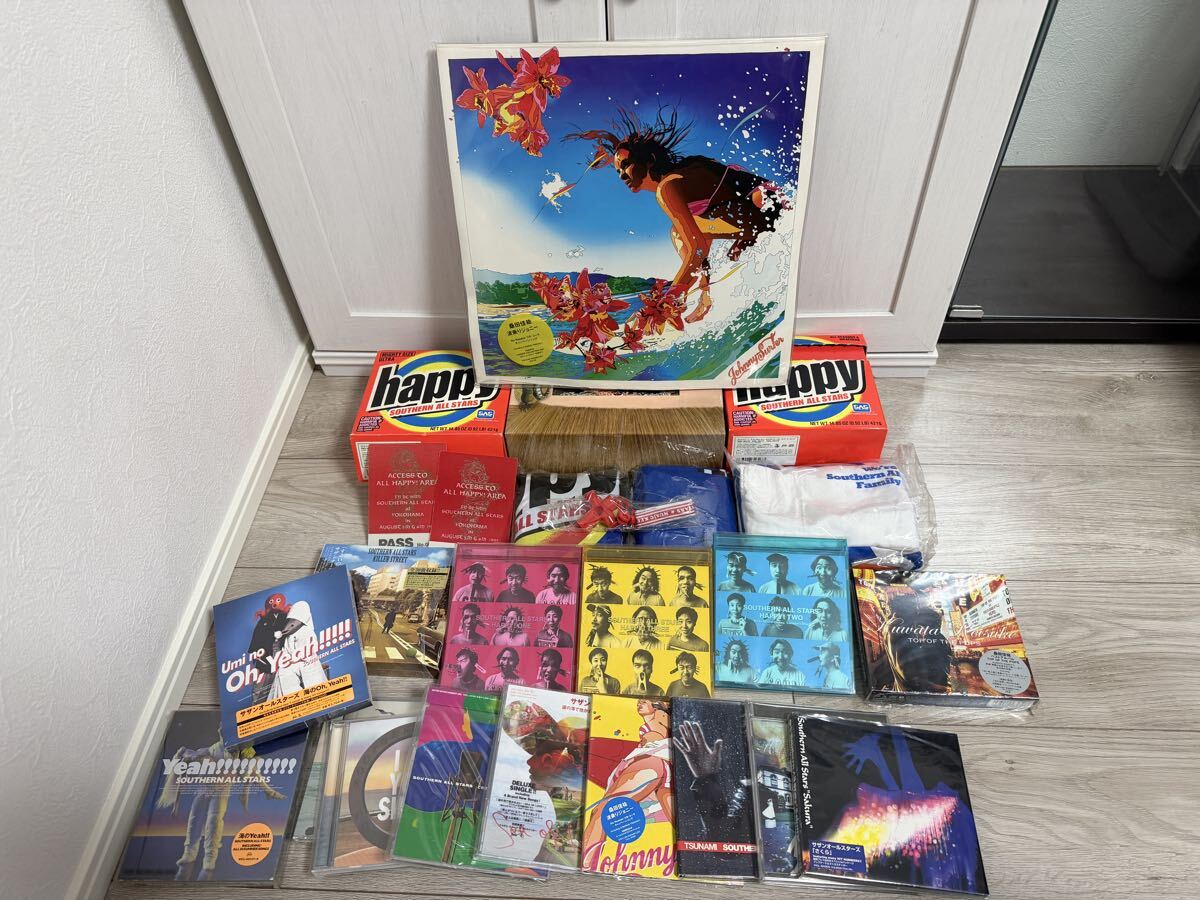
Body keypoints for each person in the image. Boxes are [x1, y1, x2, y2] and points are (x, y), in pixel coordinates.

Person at [566, 108, 788, 324]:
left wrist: (664, 303)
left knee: (680, 235)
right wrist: (703, 286)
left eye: (626, 165)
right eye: (619, 171)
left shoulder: (668, 188)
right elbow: (702, 240)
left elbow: (697, 248)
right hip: (762, 207)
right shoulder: (679, 177)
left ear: (649, 160)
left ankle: (691, 297)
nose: (622, 175)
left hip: (764, 206)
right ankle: (705, 294)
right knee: (688, 236)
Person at [158, 725, 286, 881]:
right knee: (195, 821)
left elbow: (252, 773)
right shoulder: (212, 750)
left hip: (220, 793)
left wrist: (266, 790)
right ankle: (190, 855)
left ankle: (209, 860)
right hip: (204, 790)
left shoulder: (241, 753)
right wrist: (176, 804)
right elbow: (183, 771)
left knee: (214, 823)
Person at [580, 699, 673, 873]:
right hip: (662, 767)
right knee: (683, 826)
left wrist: (650, 738)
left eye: (646, 700)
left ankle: (586, 866)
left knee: (604, 811)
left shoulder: (660, 716)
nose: (640, 701)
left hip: (652, 761)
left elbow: (657, 734)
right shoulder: (652, 722)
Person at [674, 718, 755, 845]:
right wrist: (706, 779)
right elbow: (722, 830)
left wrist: (706, 778)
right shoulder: (747, 791)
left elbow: (721, 830)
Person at [267, 594, 327, 698]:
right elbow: (285, 650)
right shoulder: (288, 635)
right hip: (291, 662)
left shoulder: (307, 631)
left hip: (306, 660)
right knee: (283, 674)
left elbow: (310, 649)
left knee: (313, 679)